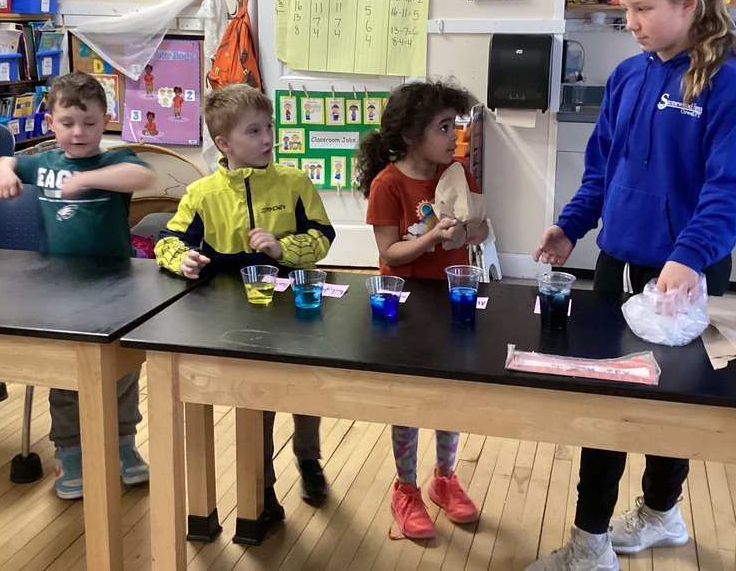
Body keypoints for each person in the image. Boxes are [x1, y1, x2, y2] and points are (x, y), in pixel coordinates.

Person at [529, 0, 736, 571]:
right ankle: (591, 542)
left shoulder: (726, 82)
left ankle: (661, 513)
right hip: (617, 262)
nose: (629, 21)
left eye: (642, 8)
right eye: (624, 8)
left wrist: (689, 255)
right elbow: (601, 166)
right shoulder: (630, 75)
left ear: (689, 5)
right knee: (606, 403)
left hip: (686, 271)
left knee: (672, 399)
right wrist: (569, 226)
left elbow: (730, 186)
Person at [155, 83, 336, 521]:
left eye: (269, 128)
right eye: (254, 132)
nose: (268, 139)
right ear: (223, 143)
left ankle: (308, 457)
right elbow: (166, 241)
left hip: (294, 310)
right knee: (257, 401)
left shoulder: (294, 182)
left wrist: (282, 250)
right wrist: (185, 260)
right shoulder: (202, 195)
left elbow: (323, 238)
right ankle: (263, 487)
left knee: (303, 390)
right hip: (233, 316)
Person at [0, 72, 157, 500]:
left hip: (115, 289)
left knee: (123, 372)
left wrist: (86, 180)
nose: (78, 133)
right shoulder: (43, 163)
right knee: (66, 378)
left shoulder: (113, 162)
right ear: (51, 122)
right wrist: (5, 168)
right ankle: (71, 452)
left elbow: (144, 179)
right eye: (67, 123)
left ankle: (124, 447)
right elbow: (5, 161)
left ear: (106, 122)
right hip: (60, 291)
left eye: (89, 123)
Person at [356, 79, 489, 540]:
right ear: (411, 135)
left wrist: (466, 233)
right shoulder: (387, 184)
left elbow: (483, 229)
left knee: (449, 392)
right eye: (443, 127)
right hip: (404, 305)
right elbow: (389, 253)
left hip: (451, 301)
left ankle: (444, 479)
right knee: (409, 400)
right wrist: (433, 237)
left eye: (456, 125)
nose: (454, 137)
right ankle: (406, 487)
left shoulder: (455, 173)